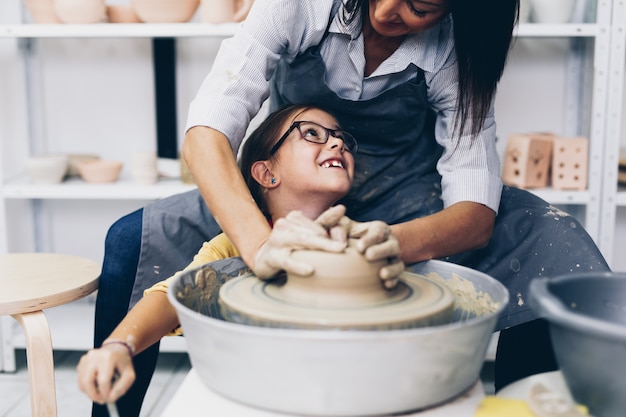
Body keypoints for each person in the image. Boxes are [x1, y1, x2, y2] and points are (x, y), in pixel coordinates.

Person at [91, 0, 611, 415]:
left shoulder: (459, 53)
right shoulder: (302, 6)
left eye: (419, 6)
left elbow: (474, 210)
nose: (385, 11)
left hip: (410, 202)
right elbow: (207, 130)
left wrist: (396, 242)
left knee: (551, 239)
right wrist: (262, 242)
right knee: (132, 239)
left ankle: (525, 408)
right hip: (287, 207)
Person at [81, 104, 403, 405]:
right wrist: (119, 345)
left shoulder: (362, 239)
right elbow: (173, 294)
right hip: (252, 388)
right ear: (266, 174)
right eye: (312, 133)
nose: (337, 144)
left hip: (338, 389)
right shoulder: (232, 245)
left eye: (341, 137)